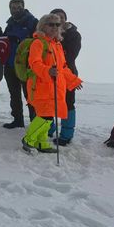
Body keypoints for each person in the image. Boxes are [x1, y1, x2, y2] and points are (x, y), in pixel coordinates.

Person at [22, 14, 82, 153]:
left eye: (57, 24)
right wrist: (48, 71)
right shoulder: (38, 43)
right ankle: (28, 139)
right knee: (45, 117)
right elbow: (34, 63)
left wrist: (73, 80)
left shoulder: (57, 44)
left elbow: (63, 67)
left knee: (49, 116)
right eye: (51, 24)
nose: (55, 27)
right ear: (43, 26)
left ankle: (41, 143)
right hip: (42, 87)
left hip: (55, 87)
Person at [2, 0, 38, 128]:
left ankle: (35, 122)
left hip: (26, 66)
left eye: (18, 7)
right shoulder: (9, 24)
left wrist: (19, 39)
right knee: (14, 95)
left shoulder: (33, 23)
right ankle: (18, 120)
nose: (16, 10)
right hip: (10, 65)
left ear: (23, 7)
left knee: (30, 95)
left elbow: (38, 42)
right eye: (13, 8)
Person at [49, 8, 81, 145]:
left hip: (67, 73)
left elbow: (71, 55)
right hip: (50, 73)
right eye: (55, 17)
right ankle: (48, 128)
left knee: (68, 103)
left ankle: (66, 135)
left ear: (65, 19)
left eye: (61, 17)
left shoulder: (74, 34)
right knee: (49, 101)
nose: (59, 19)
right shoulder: (48, 34)